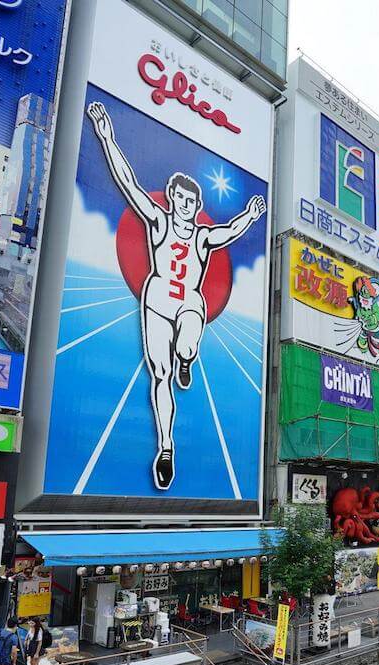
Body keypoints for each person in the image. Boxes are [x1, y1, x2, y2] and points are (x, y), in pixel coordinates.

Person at [87, 101, 267, 490]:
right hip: (156, 301)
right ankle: (166, 447)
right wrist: (106, 136)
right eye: (179, 199)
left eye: (191, 202)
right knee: (160, 374)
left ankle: (189, 356)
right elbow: (128, 183)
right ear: (172, 199)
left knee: (185, 346)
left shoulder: (202, 237)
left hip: (189, 301)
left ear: (197, 206)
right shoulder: (158, 221)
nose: (184, 206)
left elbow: (229, 231)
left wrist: (252, 217)